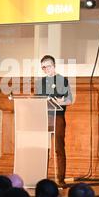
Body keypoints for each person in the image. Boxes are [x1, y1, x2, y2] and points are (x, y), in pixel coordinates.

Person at [35, 55, 72, 187]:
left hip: (57, 116)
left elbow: (69, 100)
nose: (46, 70)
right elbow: (38, 100)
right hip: (44, 117)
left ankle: (60, 180)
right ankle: (41, 179)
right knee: (43, 149)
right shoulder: (41, 82)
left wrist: (59, 101)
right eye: (43, 67)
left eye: (48, 66)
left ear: (54, 65)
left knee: (58, 148)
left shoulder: (62, 80)